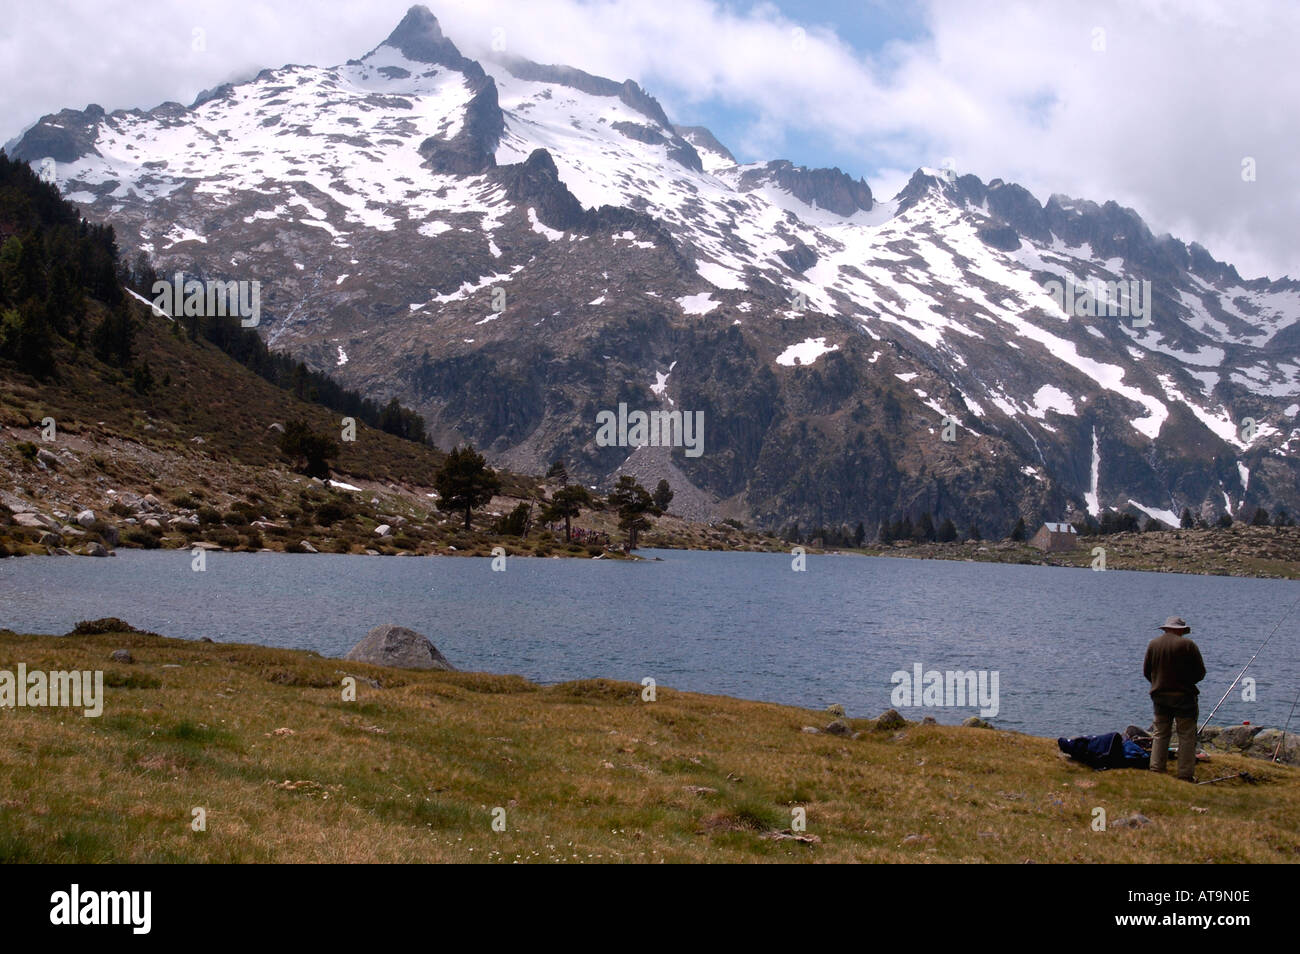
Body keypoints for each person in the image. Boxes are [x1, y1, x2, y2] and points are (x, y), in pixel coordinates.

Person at [1143, 616, 1206, 782]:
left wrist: (1157, 683)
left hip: (1159, 696)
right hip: (1184, 698)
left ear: (1165, 628)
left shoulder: (1153, 644)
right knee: (1186, 735)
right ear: (1180, 630)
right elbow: (1200, 673)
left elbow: (1147, 671)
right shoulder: (1188, 645)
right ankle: (1185, 774)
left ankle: (1156, 769)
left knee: (1160, 733)